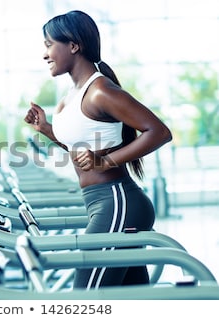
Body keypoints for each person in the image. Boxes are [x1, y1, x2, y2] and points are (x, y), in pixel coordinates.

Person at [24, 10, 172, 290]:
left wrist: (105, 162)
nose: (45, 54)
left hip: (117, 202)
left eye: (48, 44)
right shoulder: (70, 97)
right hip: (100, 202)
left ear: (73, 45)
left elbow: (159, 132)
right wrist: (46, 129)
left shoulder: (100, 90)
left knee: (87, 297)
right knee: (127, 300)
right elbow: (81, 151)